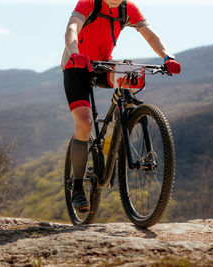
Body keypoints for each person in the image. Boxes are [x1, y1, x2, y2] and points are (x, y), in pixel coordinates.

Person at [62, 0, 181, 212]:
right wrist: (74, 52)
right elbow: (72, 28)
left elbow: (150, 34)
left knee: (130, 78)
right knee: (84, 121)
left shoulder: (128, 9)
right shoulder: (89, 3)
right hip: (76, 65)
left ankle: (120, 130)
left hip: (103, 64)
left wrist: (167, 56)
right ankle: (78, 188)